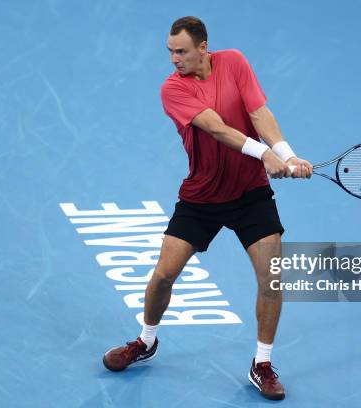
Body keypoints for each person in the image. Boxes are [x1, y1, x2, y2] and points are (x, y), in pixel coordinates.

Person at [102, 16, 312, 401]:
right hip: (201, 198)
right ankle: (146, 342)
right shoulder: (173, 89)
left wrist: (287, 154)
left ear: (203, 48)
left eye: (180, 51)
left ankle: (261, 364)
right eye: (169, 51)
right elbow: (215, 127)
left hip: (251, 194)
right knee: (163, 276)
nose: (173, 59)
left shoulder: (234, 62)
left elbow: (258, 113)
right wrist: (264, 153)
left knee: (272, 279)